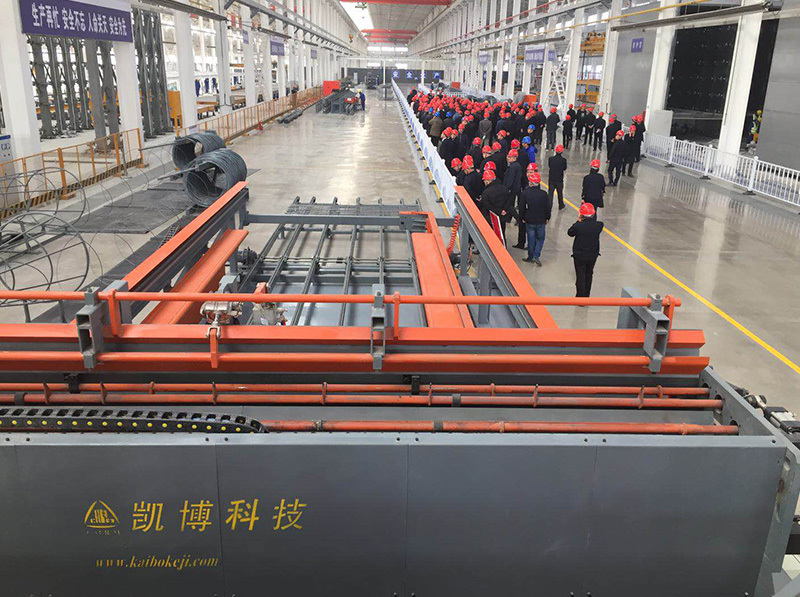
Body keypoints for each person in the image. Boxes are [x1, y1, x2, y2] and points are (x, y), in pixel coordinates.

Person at [568, 202, 604, 297]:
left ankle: (580, 297)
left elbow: (570, 233)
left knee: (580, 276)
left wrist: (578, 221)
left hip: (579, 255)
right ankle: (587, 296)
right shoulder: (599, 226)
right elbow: (597, 223)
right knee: (589, 275)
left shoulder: (578, 226)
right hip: (592, 255)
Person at [520, 172, 551, 265]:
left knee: (531, 239)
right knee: (540, 239)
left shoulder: (525, 193)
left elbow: (522, 207)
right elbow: (547, 208)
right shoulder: (544, 194)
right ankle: (536, 256)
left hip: (529, 220)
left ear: (530, 183)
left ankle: (530, 257)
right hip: (541, 220)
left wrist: (522, 217)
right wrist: (547, 217)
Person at [481, 168, 515, 240]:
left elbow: (487, 206)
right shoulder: (503, 188)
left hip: (492, 218)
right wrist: (504, 210)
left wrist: (498, 211)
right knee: (502, 234)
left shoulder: (486, 192)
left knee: (492, 236)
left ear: (487, 181)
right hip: (503, 216)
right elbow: (509, 200)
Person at [504, 150, 525, 249]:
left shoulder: (513, 167)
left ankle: (517, 218)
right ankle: (512, 217)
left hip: (512, 189)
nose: (507, 158)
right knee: (511, 204)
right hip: (516, 188)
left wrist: (507, 188)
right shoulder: (517, 166)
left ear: (514, 157)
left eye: (509, 157)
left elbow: (510, 179)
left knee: (509, 205)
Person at [548, 145, 567, 210]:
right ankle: (561, 205)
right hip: (559, 179)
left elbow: (549, 166)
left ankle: (549, 206)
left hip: (552, 178)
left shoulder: (551, 159)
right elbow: (564, 168)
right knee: (560, 193)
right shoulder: (563, 160)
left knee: (550, 193)